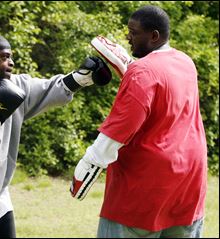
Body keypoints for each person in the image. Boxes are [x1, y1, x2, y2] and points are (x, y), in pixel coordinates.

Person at [0, 33, 112, 238]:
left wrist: (82, 77)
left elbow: (47, 89)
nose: (11, 62)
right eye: (4, 57)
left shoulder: (13, 86)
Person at [70, 5, 207, 238]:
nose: (127, 37)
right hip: (190, 181)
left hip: (143, 186)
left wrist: (87, 167)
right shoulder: (185, 62)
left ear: (153, 36)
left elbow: (120, 128)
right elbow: (164, 100)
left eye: (133, 33)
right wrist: (133, 69)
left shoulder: (142, 72)